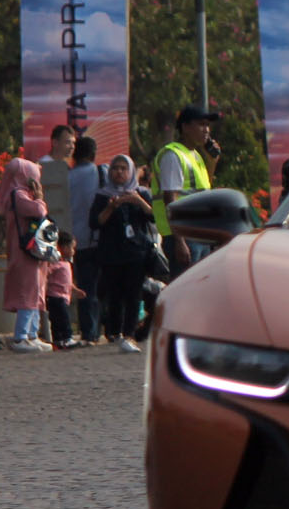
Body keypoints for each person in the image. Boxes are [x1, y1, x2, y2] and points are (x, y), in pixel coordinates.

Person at [92, 155, 153, 352]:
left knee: (134, 295)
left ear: (131, 172)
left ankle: (130, 335)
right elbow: (95, 223)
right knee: (115, 295)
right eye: (115, 168)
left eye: (123, 169)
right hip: (111, 252)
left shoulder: (141, 192)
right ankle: (115, 333)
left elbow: (154, 218)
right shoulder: (103, 195)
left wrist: (138, 201)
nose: (119, 172)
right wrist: (111, 207)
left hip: (136, 252)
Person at [152, 104, 220, 278]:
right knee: (185, 292)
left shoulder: (196, 155)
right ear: (185, 127)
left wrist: (213, 160)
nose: (206, 130)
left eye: (208, 125)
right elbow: (170, 198)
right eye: (201, 124)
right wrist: (179, 240)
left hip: (200, 234)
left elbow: (205, 191)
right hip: (184, 237)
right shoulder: (173, 155)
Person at [0, 157, 52, 353]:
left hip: (30, 252)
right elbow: (38, 211)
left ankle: (32, 334)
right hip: (24, 252)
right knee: (27, 293)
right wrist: (40, 198)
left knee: (35, 291)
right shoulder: (18, 195)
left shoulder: (21, 194)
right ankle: (20, 337)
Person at [67, 135, 104, 344]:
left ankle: (84, 330)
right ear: (93, 154)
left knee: (79, 287)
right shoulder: (98, 173)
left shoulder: (67, 177)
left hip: (72, 240)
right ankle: (95, 331)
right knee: (95, 287)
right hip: (95, 238)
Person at [46, 231, 86, 350]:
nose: (73, 251)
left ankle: (59, 340)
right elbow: (46, 273)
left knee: (58, 318)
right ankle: (66, 338)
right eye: (71, 248)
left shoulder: (66, 263)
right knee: (62, 319)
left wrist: (75, 290)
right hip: (55, 296)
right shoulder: (57, 263)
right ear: (62, 247)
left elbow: (67, 282)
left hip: (63, 297)